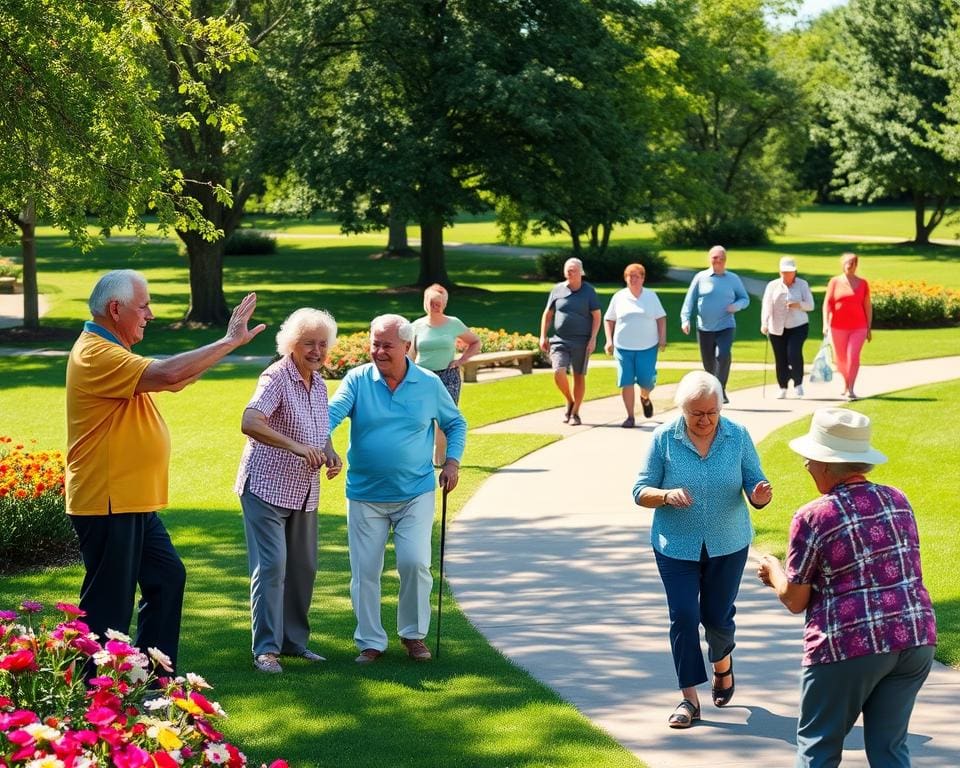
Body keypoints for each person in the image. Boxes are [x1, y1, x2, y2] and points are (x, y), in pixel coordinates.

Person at [65, 269, 265, 673]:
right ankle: (90, 698)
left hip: (130, 499)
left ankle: (150, 679)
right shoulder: (95, 352)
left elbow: (175, 381)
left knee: (166, 579)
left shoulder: (112, 351)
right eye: (143, 306)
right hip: (108, 500)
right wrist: (228, 341)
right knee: (109, 605)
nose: (150, 314)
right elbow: (169, 374)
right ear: (115, 308)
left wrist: (228, 346)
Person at [757, 409, 936, 768]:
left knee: (817, 747)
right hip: (915, 637)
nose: (806, 466)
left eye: (810, 459)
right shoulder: (898, 499)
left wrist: (774, 571)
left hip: (849, 644)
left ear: (826, 465)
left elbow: (795, 599)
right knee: (890, 749)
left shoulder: (814, 516)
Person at [632, 370, 772, 729]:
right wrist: (664, 495)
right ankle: (689, 699)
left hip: (728, 542)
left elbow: (754, 479)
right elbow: (640, 490)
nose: (706, 420)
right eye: (697, 413)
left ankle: (723, 665)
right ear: (683, 410)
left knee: (717, 617)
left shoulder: (737, 435)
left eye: (712, 412)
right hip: (675, 545)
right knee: (683, 616)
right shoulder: (664, 438)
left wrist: (758, 494)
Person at [328, 314, 467, 664]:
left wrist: (452, 462)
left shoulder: (428, 383)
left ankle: (413, 636)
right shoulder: (358, 380)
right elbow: (329, 415)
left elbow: (455, 422)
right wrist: (324, 444)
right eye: (374, 343)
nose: (378, 351)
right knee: (365, 571)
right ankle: (370, 642)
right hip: (364, 493)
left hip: (415, 492)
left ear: (407, 346)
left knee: (415, 563)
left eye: (386, 344)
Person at [235, 308, 342, 674]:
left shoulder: (319, 382)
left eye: (322, 344)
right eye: (309, 343)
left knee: (304, 567)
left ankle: (294, 643)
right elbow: (250, 421)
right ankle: (265, 650)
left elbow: (319, 427)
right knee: (272, 566)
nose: (316, 350)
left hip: (304, 491)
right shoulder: (276, 377)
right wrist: (297, 448)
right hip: (265, 486)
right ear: (292, 344)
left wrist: (329, 452)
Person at [411, 283, 481, 464]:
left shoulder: (453, 323)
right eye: (432, 302)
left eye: (439, 303)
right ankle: (421, 455)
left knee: (444, 418)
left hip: (448, 376)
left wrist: (461, 361)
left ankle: (439, 458)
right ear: (425, 303)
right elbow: (410, 354)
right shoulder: (416, 326)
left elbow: (475, 342)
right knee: (422, 416)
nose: (435, 306)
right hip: (423, 376)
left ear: (444, 304)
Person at [680, 246, 750, 403]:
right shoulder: (701, 277)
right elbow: (689, 301)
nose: (717, 260)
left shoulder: (733, 279)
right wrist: (685, 320)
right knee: (709, 363)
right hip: (704, 327)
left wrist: (736, 306)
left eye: (721, 258)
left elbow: (745, 298)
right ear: (709, 259)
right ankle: (713, 392)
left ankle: (721, 389)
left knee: (723, 355)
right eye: (714, 257)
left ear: (725, 260)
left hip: (726, 325)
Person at [539, 257, 601, 426]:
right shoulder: (557, 290)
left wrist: (593, 338)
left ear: (581, 272)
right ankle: (569, 400)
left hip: (582, 341)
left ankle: (575, 413)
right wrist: (543, 335)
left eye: (573, 269)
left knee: (579, 376)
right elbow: (548, 314)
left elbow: (596, 316)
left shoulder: (589, 291)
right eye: (567, 269)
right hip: (560, 340)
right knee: (558, 371)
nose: (569, 272)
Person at [603, 263, 667, 427]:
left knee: (646, 381)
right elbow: (609, 319)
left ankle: (645, 397)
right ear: (625, 279)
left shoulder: (651, 296)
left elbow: (661, 318)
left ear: (643, 278)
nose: (633, 279)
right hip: (623, 347)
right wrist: (609, 341)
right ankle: (630, 417)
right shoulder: (619, 297)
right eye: (629, 276)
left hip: (647, 346)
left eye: (636, 276)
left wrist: (662, 338)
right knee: (626, 381)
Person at [761, 257, 815, 399]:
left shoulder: (802, 285)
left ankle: (798, 384)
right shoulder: (773, 285)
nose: (787, 275)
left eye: (790, 272)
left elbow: (811, 305)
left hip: (798, 325)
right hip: (776, 326)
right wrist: (764, 323)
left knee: (794, 353)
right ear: (780, 272)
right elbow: (767, 305)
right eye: (784, 272)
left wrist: (798, 304)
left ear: (795, 272)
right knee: (781, 358)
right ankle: (783, 387)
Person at [824, 252, 872, 400]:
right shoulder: (834, 282)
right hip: (838, 327)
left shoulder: (863, 283)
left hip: (859, 326)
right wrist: (826, 323)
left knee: (853, 356)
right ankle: (845, 384)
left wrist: (869, 327)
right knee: (840, 359)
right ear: (842, 264)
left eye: (852, 263)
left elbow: (867, 306)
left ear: (856, 265)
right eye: (847, 263)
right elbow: (828, 304)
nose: (849, 266)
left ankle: (851, 388)